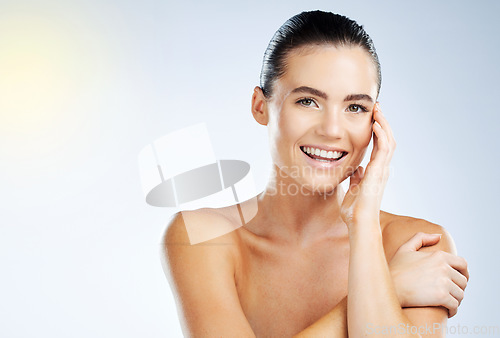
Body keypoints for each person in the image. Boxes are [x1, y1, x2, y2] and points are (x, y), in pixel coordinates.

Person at [161, 10, 469, 337]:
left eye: (355, 107)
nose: (332, 130)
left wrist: (364, 225)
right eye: (308, 101)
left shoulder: (418, 246)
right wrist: (386, 287)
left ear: (376, 123)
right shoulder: (203, 237)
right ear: (260, 106)